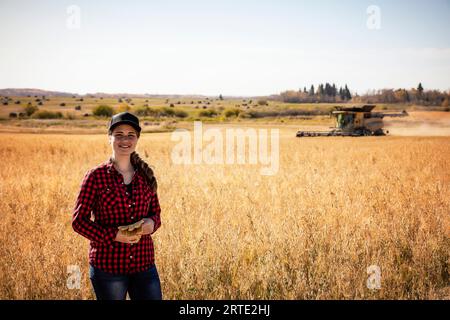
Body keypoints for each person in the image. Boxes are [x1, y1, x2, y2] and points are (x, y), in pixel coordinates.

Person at [72, 111, 162, 300]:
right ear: (109, 137)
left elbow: (156, 213)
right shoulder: (95, 176)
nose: (125, 140)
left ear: (137, 138)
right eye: (119, 134)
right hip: (108, 268)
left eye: (131, 135)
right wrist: (115, 235)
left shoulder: (146, 175)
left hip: (144, 264)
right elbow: (78, 222)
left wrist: (151, 225)